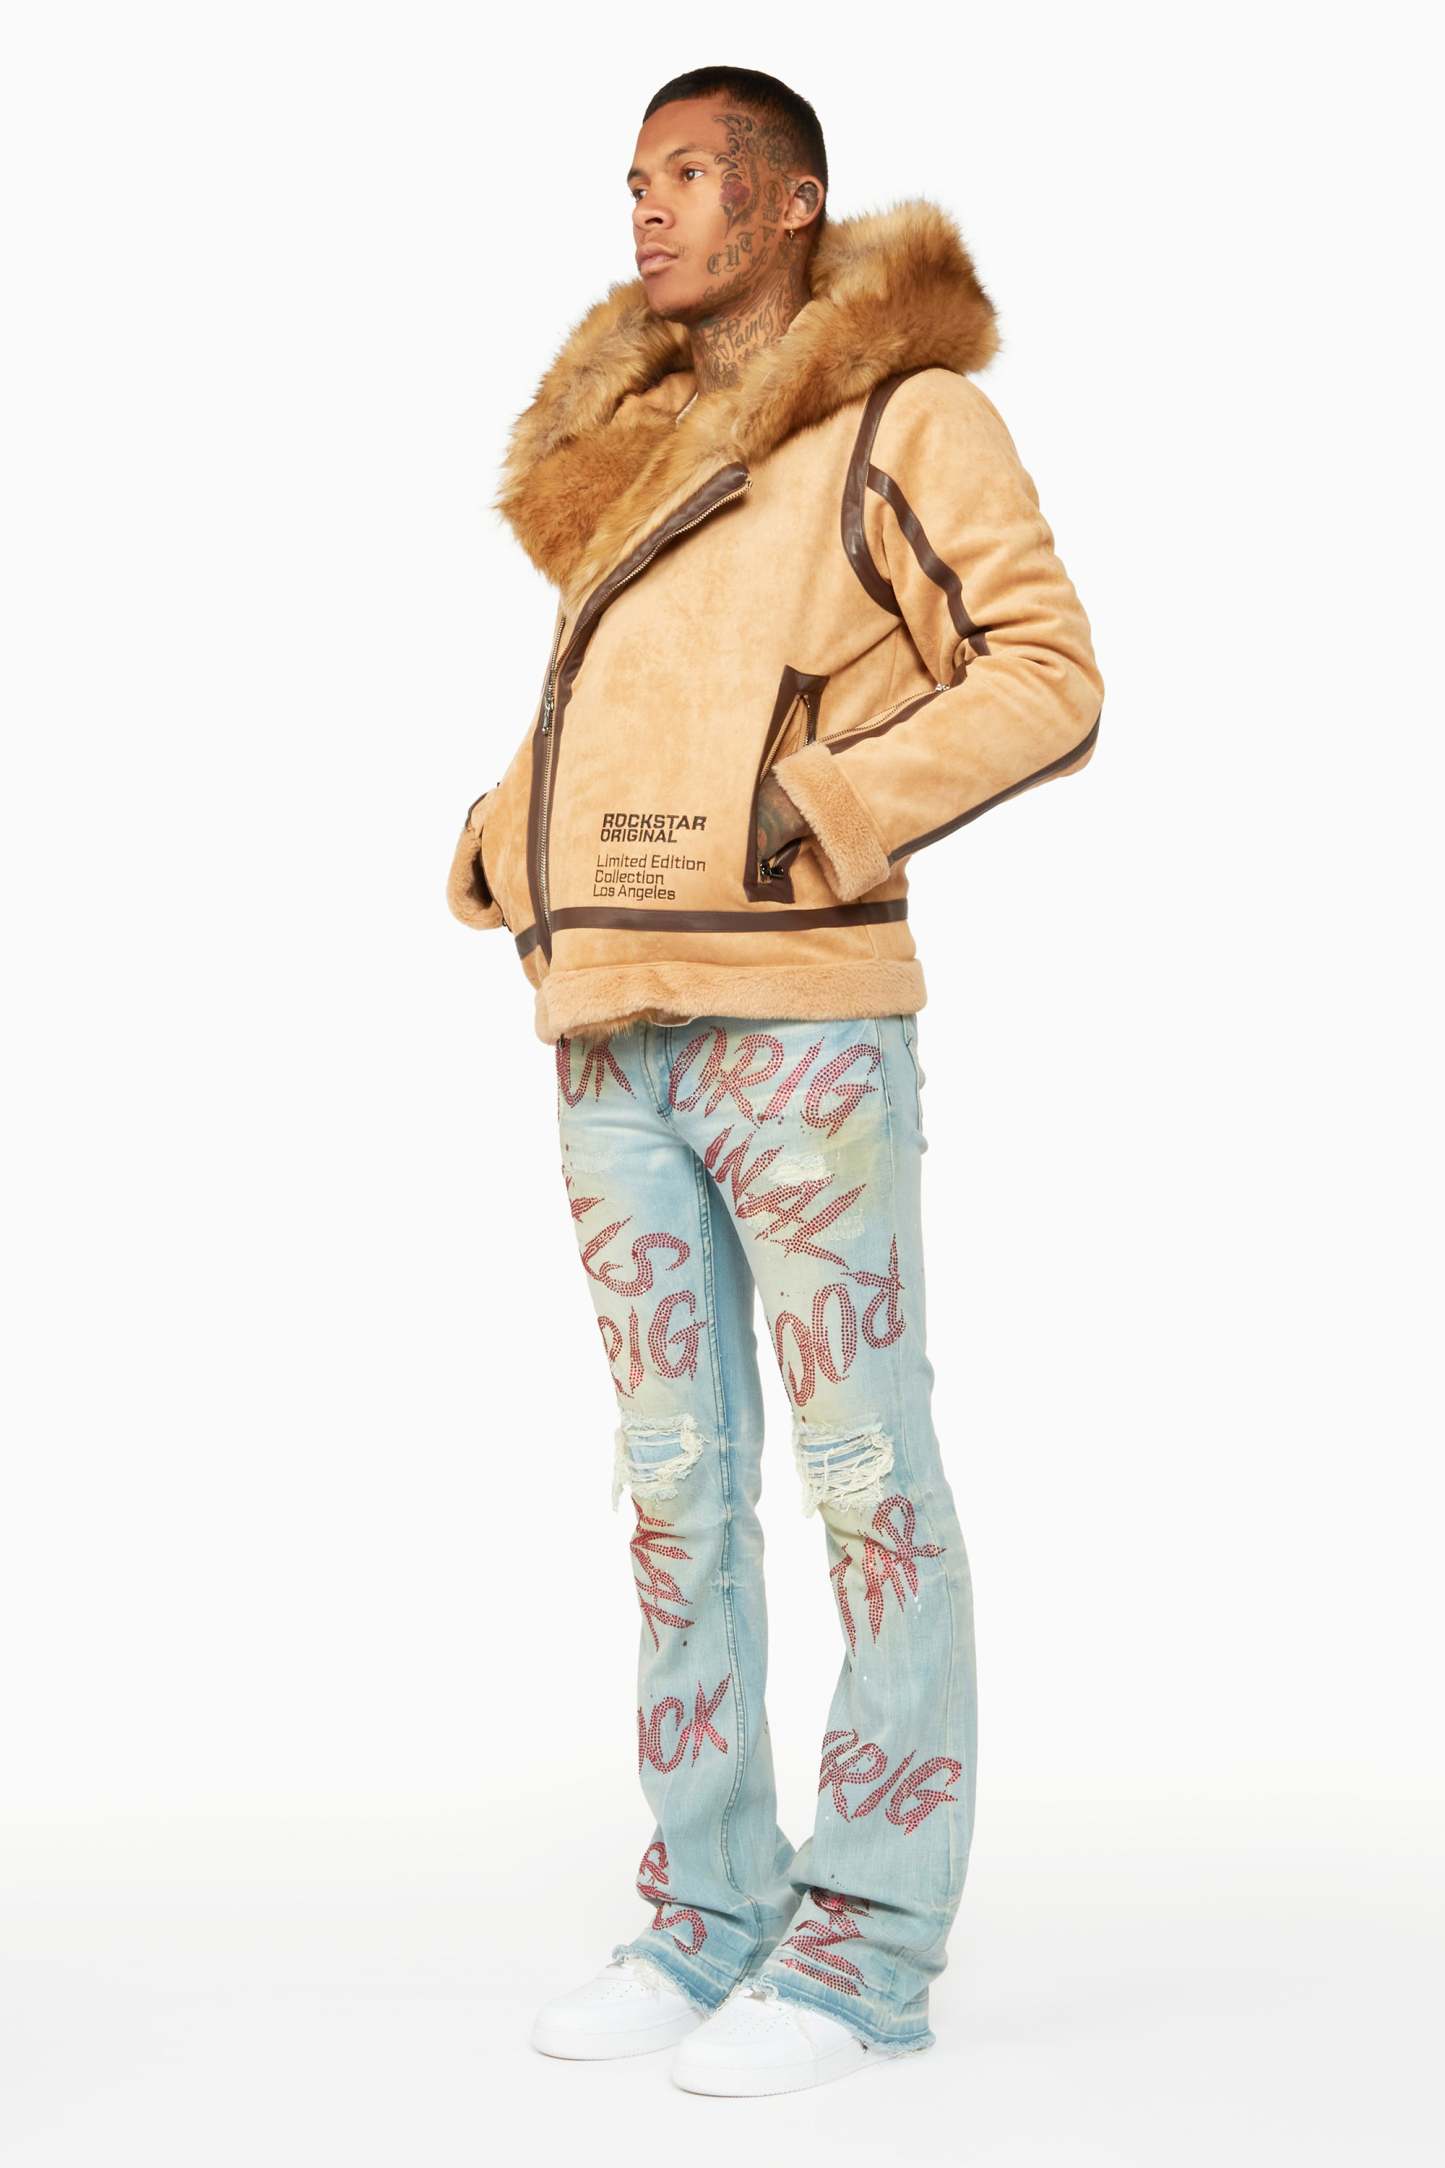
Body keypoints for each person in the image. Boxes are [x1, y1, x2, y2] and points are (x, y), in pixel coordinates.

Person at [446, 66, 1103, 2096]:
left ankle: (869, 1948)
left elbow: (1046, 671)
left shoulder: (906, 418)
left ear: (792, 201)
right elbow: (648, 697)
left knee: (862, 1481)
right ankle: (711, 1911)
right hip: (611, 1030)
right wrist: (509, 833)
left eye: (688, 174)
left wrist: (815, 809)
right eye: (632, 179)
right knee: (672, 1490)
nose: (646, 210)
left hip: (800, 1029)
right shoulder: (646, 447)